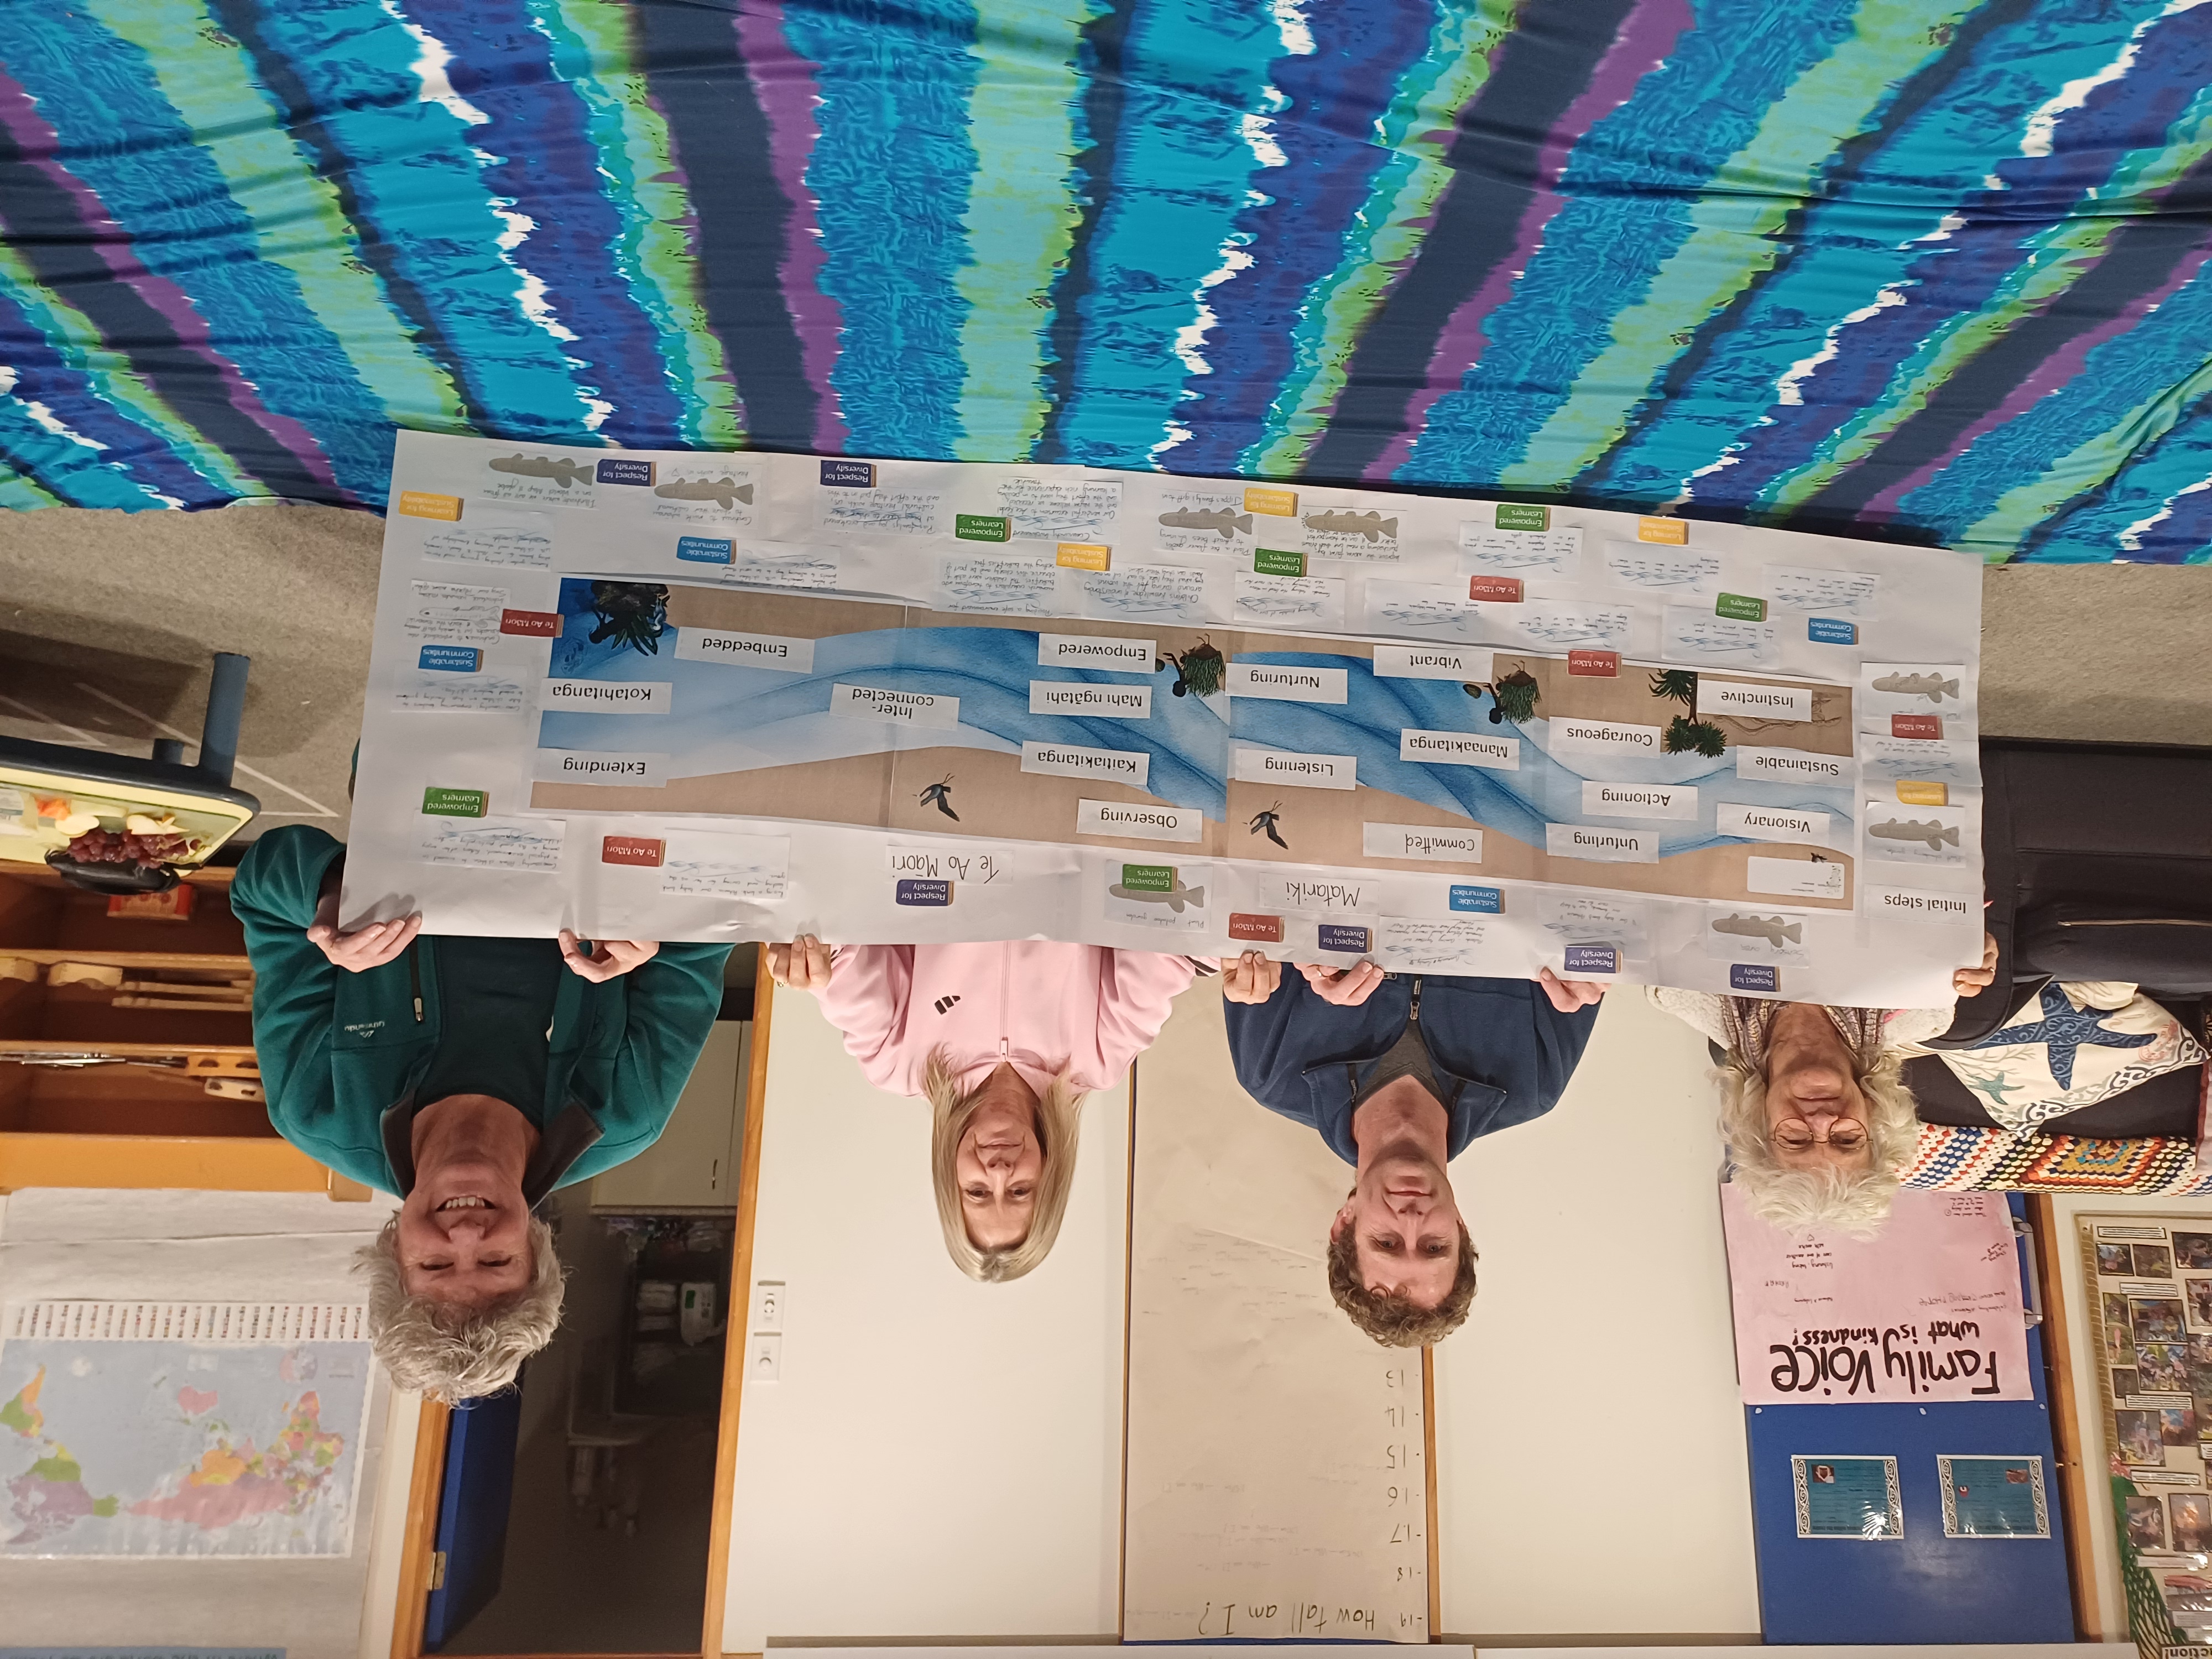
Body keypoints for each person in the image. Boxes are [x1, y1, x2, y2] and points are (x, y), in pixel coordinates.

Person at [230, 825, 731, 1401]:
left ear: (394, 1250)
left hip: (435, 781)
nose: (466, 1233)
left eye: (437, 1266)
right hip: (619, 798)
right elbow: (709, 921)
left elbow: (259, 885)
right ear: (538, 1249)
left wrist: (330, 896)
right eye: (495, 1260)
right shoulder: (624, 1113)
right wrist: (653, 923)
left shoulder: (316, 1107)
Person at [1219, 955, 1606, 1347]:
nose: (1411, 1220)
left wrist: (1263, 951)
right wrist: (1594, 964)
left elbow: (1247, 917)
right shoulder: (1535, 1082)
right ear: (1459, 1226)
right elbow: (1596, 926)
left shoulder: (1271, 1071)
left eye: (1386, 1242)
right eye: (1434, 1246)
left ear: (1344, 1223)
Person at [766, 936, 1197, 1281]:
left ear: (949, 1175)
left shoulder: (895, 1059)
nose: (998, 1171)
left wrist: (810, 963)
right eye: (1020, 1191)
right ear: (1049, 1174)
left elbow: (844, 964)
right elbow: (1168, 951)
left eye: (977, 1192)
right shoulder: (1100, 1056)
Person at [1647, 931, 1999, 1238]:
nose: (1820, 1121)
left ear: (1759, 1120)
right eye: (1847, 1139)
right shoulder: (1926, 1011)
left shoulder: (1679, 991)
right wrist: (1968, 941)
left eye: (1795, 1139)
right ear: (1874, 1116)